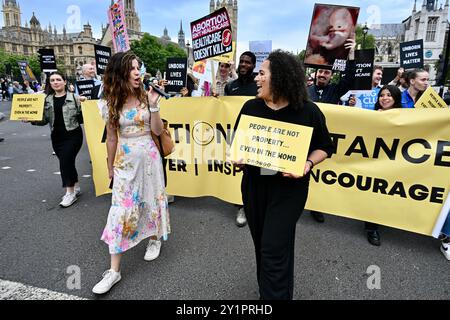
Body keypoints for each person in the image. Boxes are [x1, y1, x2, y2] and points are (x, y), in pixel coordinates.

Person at [232, 50, 334, 300]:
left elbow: (325, 147)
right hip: (255, 186)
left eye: (262, 74)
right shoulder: (250, 107)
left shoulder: (308, 111)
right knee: (263, 244)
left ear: (278, 78)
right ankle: (271, 291)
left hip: (289, 191)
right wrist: (238, 159)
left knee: (273, 247)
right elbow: (238, 143)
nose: (257, 78)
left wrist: (308, 163)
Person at [92, 51, 170, 295]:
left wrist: (154, 105)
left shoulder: (148, 97)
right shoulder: (109, 103)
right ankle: (114, 271)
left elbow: (156, 130)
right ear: (120, 73)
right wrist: (109, 167)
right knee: (120, 210)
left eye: (139, 67)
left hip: (149, 158)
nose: (138, 72)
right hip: (125, 163)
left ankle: (154, 238)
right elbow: (112, 137)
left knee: (152, 199)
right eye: (132, 69)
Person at [307, 38, 356, 222]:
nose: (323, 75)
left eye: (327, 72)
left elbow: (350, 79)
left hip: (323, 141)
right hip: (306, 139)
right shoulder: (305, 90)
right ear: (316, 73)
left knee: (321, 176)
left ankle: (317, 207)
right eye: (320, 71)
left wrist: (351, 55)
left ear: (330, 75)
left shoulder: (335, 90)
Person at [28, 72, 85, 207]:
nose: (55, 82)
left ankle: (69, 192)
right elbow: (44, 120)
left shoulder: (76, 98)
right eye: (52, 80)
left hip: (73, 135)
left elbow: (84, 117)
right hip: (57, 137)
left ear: (65, 82)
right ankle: (76, 186)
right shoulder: (47, 100)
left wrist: (86, 105)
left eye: (58, 79)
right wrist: (32, 120)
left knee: (65, 161)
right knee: (67, 162)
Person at [360, 85, 403, 246]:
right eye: (382, 95)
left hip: (393, 162)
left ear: (396, 98)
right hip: (374, 160)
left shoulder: (408, 117)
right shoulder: (372, 115)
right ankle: (372, 228)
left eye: (389, 95)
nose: (384, 98)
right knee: (373, 192)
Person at [225, 51, 258, 228]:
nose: (244, 64)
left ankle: (254, 205)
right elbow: (225, 110)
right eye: (241, 61)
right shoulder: (231, 87)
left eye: (248, 62)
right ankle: (241, 206)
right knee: (238, 171)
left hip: (256, 136)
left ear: (253, 65)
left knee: (255, 173)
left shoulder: (259, 85)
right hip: (237, 135)